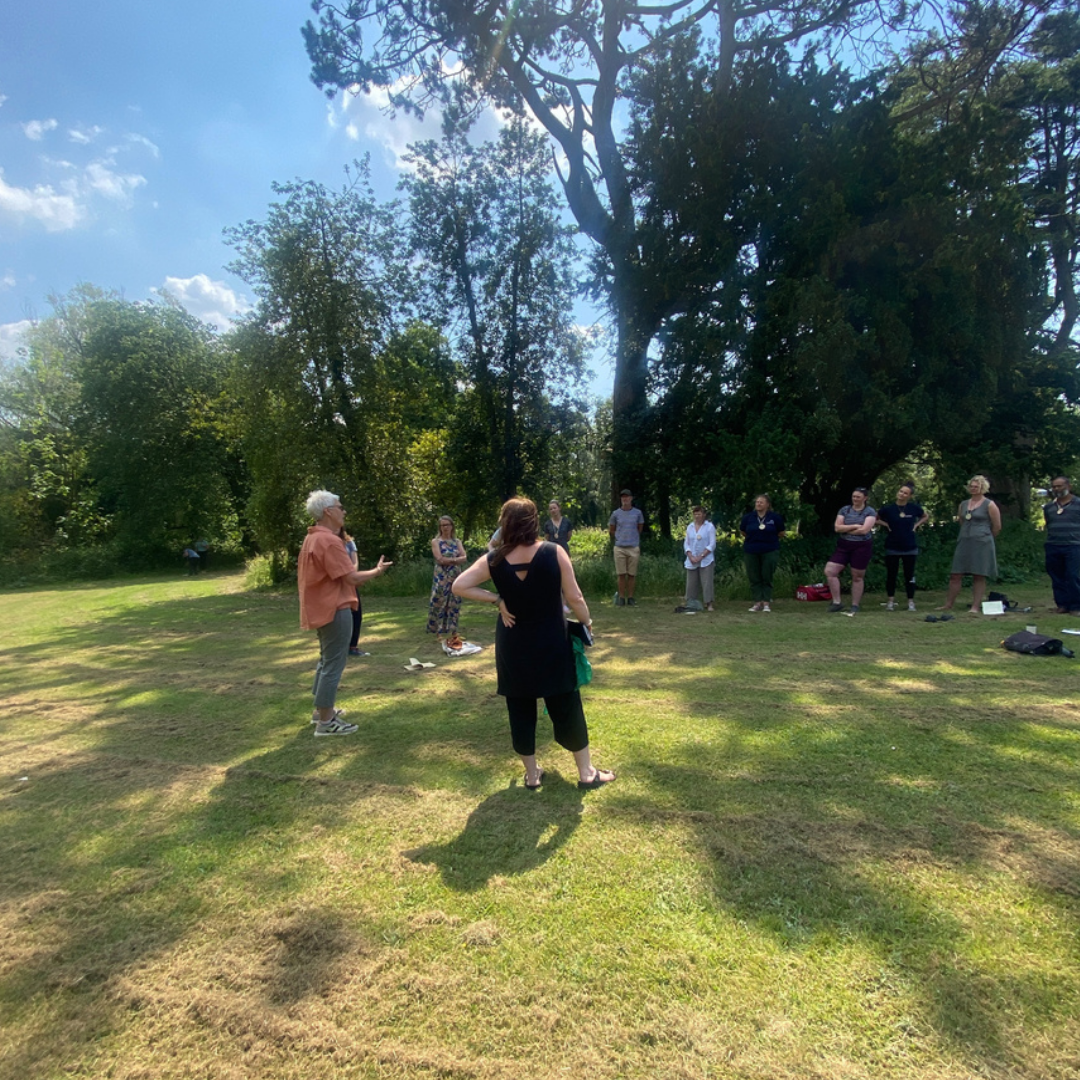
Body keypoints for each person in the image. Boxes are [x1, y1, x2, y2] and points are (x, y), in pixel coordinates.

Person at [453, 497, 614, 791]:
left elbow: (459, 585)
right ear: (533, 522)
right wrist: (587, 621)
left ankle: (531, 775)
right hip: (552, 642)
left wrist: (497, 599)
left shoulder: (495, 559)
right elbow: (575, 597)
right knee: (566, 703)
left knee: (520, 706)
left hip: (513, 645)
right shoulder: (554, 552)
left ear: (505, 524)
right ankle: (586, 773)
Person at [298, 490, 391, 736]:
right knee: (333, 663)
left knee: (326, 659)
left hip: (322, 607)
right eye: (340, 507)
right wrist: (377, 571)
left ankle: (321, 712)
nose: (344, 511)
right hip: (334, 608)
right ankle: (326, 723)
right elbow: (351, 577)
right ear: (328, 511)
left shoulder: (313, 538)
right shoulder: (329, 541)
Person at [942, 475, 1002, 614]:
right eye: (972, 486)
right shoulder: (963, 504)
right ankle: (949, 604)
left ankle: (975, 606)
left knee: (978, 574)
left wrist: (985, 536)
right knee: (955, 574)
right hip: (964, 540)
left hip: (982, 542)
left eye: (977, 486)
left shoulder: (989, 504)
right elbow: (961, 521)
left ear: (983, 488)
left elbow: (997, 526)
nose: (973, 488)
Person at [877, 482, 928, 611]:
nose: (902, 494)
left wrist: (917, 525)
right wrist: (885, 524)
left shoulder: (913, 508)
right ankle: (890, 601)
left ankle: (910, 601)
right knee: (891, 574)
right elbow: (875, 518)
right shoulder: (888, 509)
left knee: (909, 575)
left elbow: (925, 516)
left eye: (905, 493)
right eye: (901, 491)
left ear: (909, 496)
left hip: (909, 546)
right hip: (892, 545)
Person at [824, 488, 877, 613]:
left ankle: (855, 605)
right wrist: (854, 526)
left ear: (865, 498)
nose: (855, 499)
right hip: (844, 545)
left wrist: (846, 529)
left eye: (858, 497)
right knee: (830, 571)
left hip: (862, 546)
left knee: (857, 576)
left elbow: (864, 530)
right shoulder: (845, 510)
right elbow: (837, 528)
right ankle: (837, 602)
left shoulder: (870, 512)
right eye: (853, 496)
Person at [740, 494, 786, 612]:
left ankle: (766, 602)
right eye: (757, 502)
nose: (758, 504)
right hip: (751, 550)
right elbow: (743, 531)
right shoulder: (748, 517)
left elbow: (781, 532)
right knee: (754, 576)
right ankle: (757, 602)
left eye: (761, 502)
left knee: (767, 575)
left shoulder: (774, 517)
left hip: (770, 550)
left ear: (767, 504)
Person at [1043, 475, 1080, 614]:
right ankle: (1062, 604)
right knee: (1056, 576)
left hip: (1074, 545)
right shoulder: (1049, 507)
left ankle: (1076, 605)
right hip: (1053, 544)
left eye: (1060, 486)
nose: (1056, 489)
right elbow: (1049, 523)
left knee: (1072, 575)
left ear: (1068, 486)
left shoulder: (1078, 503)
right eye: (1054, 487)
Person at [427, 515, 467, 643]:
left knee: (454, 601)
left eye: (447, 525)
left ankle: (454, 630)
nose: (445, 528)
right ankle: (438, 631)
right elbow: (439, 559)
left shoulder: (457, 542)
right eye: (442, 525)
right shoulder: (436, 541)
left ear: (452, 526)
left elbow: (464, 557)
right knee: (440, 600)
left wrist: (450, 561)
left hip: (455, 574)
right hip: (441, 575)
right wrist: (456, 560)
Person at [608, 488, 644, 606]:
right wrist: (619, 537)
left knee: (632, 574)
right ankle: (622, 598)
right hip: (619, 547)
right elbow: (611, 529)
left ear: (631, 498)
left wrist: (632, 538)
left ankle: (631, 597)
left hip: (633, 547)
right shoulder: (615, 514)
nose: (625, 499)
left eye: (627, 497)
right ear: (621, 499)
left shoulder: (637, 513)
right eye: (623, 497)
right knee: (621, 574)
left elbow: (640, 528)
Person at [341, 528, 370, 657]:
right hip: (338, 584)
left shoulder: (349, 543)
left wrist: (352, 576)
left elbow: (355, 562)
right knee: (340, 615)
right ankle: (340, 647)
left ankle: (353, 646)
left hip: (350, 583)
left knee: (356, 613)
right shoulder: (330, 542)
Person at [683, 506, 717, 612]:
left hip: (706, 559)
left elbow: (712, 544)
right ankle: (691, 602)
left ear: (704, 515)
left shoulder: (709, 527)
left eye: (699, 514)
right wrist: (690, 555)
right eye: (695, 514)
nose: (697, 516)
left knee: (707, 582)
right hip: (692, 559)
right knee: (691, 582)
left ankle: (709, 603)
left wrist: (701, 556)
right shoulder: (690, 527)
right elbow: (686, 543)